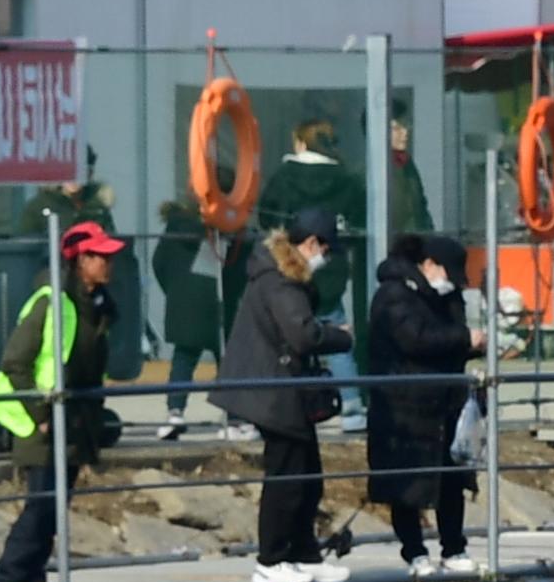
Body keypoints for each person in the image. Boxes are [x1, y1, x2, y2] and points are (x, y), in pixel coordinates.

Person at [0, 220, 123, 582]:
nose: (108, 264)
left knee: (55, 503)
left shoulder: (97, 307)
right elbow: (16, 362)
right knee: (42, 502)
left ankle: (32, 578)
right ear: (80, 260)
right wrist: (40, 412)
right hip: (42, 422)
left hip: (75, 423)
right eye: (100, 256)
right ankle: (7, 580)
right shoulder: (51, 302)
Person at [218, 206, 353, 582]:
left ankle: (303, 553)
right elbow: (302, 335)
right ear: (310, 244)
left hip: (283, 389)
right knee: (286, 478)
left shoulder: (282, 278)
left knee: (308, 476)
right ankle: (272, 559)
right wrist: (341, 335)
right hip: (273, 392)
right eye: (324, 249)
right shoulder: (281, 281)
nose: (324, 258)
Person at [365, 231, 485, 574]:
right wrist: (464, 337)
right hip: (403, 404)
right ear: (429, 265)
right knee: (407, 482)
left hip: (444, 401)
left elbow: (449, 337)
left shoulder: (446, 298)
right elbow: (414, 338)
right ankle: (414, 551)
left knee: (451, 479)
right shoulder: (394, 295)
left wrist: (472, 344)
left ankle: (454, 548)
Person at [255, 117, 365, 319]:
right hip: (332, 272)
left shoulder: (283, 177)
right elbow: (358, 224)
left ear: (301, 144)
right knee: (336, 337)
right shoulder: (348, 180)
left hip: (290, 269)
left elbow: (266, 218)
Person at [149, 195, 228, 439]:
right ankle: (234, 416)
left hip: (183, 304)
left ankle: (175, 412)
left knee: (183, 360)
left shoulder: (173, 229)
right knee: (228, 360)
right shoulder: (221, 231)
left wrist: (173, 291)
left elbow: (158, 262)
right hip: (218, 303)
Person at [383, 107, 433, 236]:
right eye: (396, 128)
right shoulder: (368, 173)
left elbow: (421, 208)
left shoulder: (408, 166)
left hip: (415, 245)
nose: (405, 132)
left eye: (405, 126)